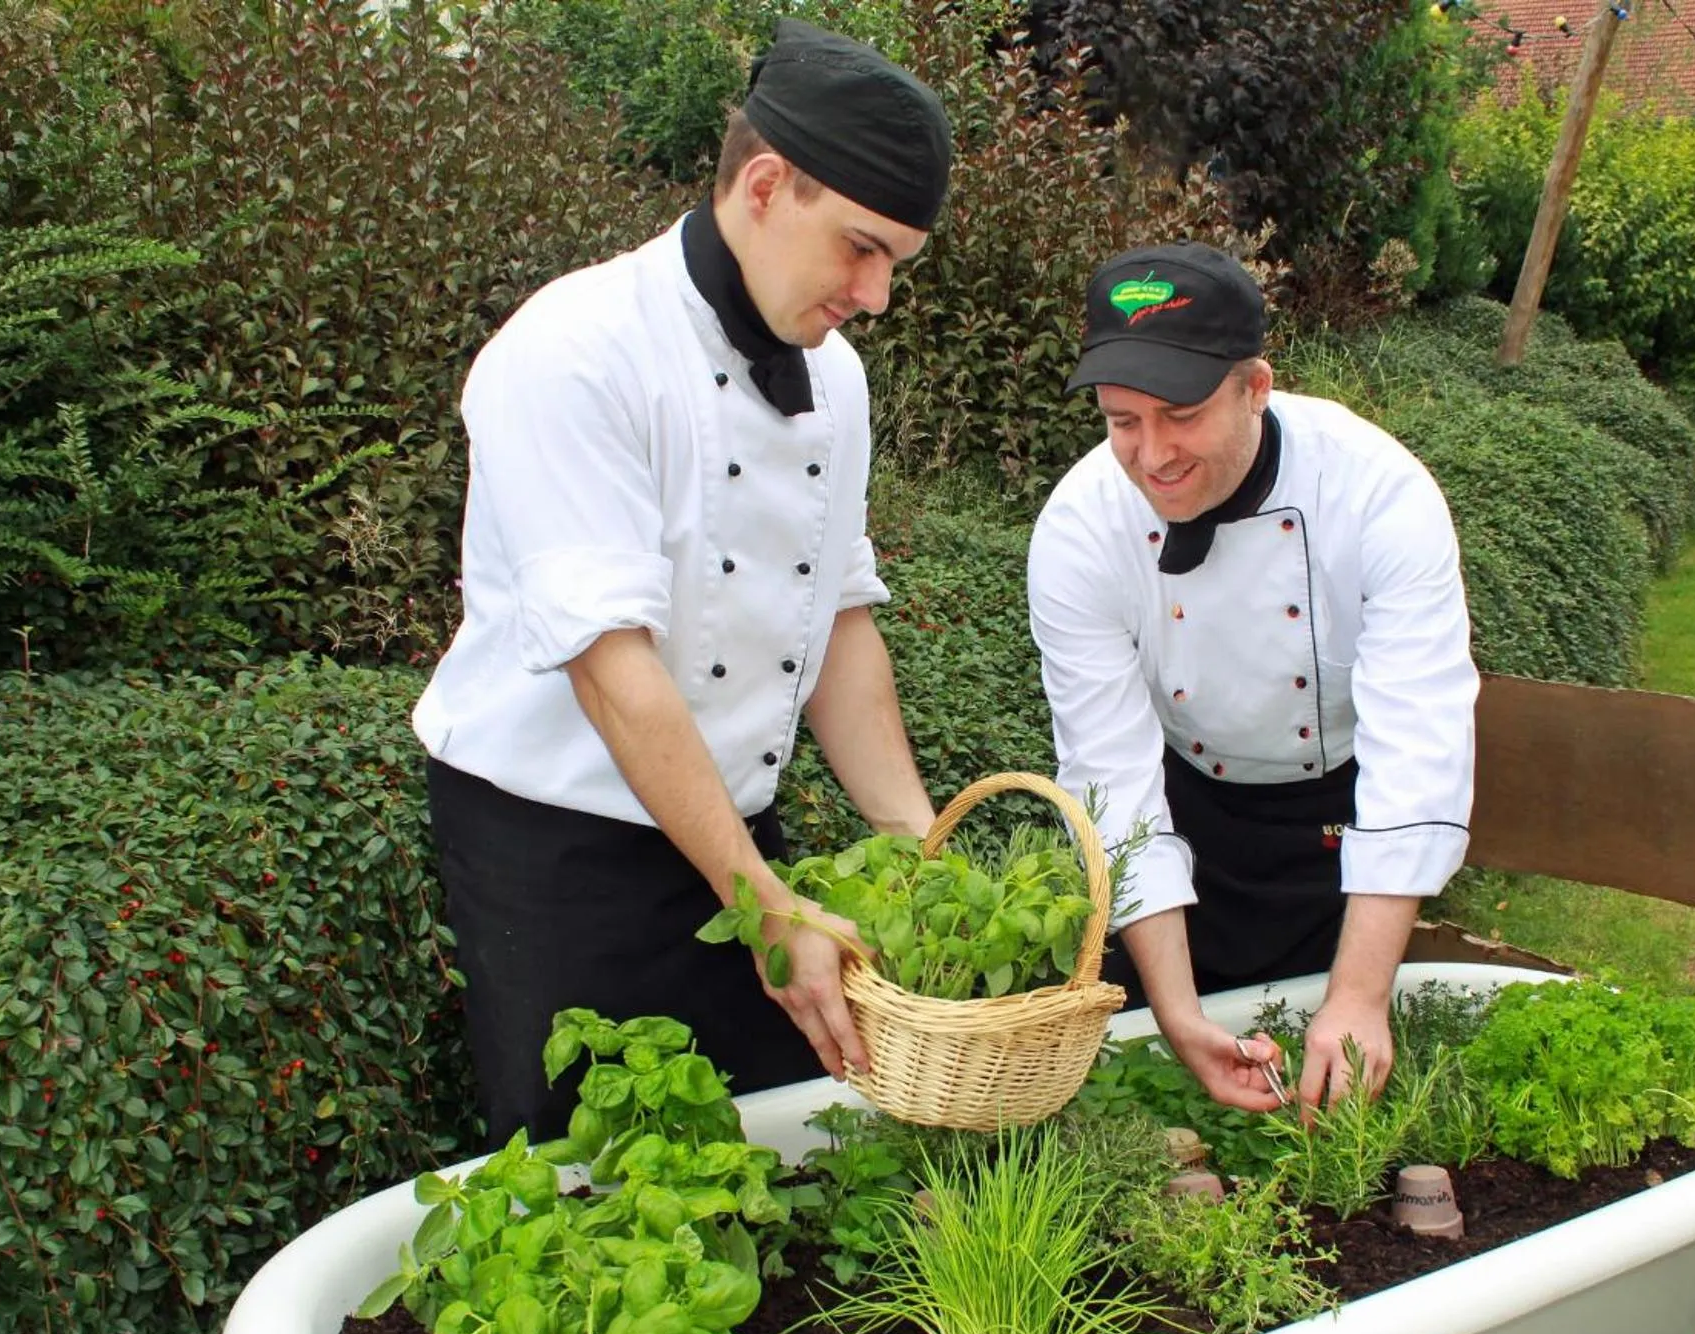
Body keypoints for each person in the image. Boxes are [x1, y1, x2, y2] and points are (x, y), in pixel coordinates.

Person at [413, 20, 953, 1147]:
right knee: (589, 1173)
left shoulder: (836, 380)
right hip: (558, 850)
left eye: (896, 262)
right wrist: (766, 909)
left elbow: (838, 623)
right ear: (766, 185)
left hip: (736, 831)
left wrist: (922, 847)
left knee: (760, 1158)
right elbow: (617, 678)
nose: (878, 293)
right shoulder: (573, 350)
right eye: (862, 250)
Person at [1027, 242, 1479, 1119]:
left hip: (1339, 829)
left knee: (1342, 1098)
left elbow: (1417, 748)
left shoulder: (1377, 493)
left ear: (1256, 387)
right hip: (1184, 814)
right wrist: (1178, 1012)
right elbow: (1115, 778)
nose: (1151, 454)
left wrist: (1358, 997)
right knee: (1158, 1106)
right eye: (1123, 420)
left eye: (1182, 414)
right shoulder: (1081, 529)